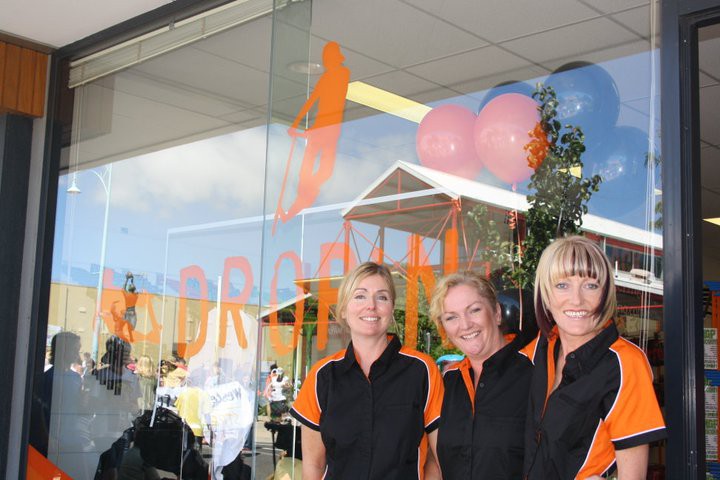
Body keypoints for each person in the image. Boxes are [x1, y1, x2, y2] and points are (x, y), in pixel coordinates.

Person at [523, 236, 666, 479]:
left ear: (605, 293)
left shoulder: (624, 362)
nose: (577, 300)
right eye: (562, 285)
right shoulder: (540, 348)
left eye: (590, 285)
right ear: (545, 295)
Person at [290, 262, 444, 480]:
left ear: (391, 308)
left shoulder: (422, 371)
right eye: (359, 296)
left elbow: (438, 459)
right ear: (343, 309)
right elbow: (313, 466)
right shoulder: (322, 376)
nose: (371, 305)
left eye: (382, 297)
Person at [428, 271, 533, 479]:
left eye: (474, 310)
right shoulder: (448, 383)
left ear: (496, 313)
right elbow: (435, 461)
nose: (465, 325)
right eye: (452, 317)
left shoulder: (533, 375)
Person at [274, 41, 350, 232]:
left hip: (329, 129)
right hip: (321, 129)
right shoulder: (327, 78)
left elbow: (314, 99)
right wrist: (295, 124)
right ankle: (294, 210)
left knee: (323, 172)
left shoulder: (342, 74)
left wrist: (296, 124)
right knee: (309, 173)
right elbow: (312, 100)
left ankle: (296, 209)